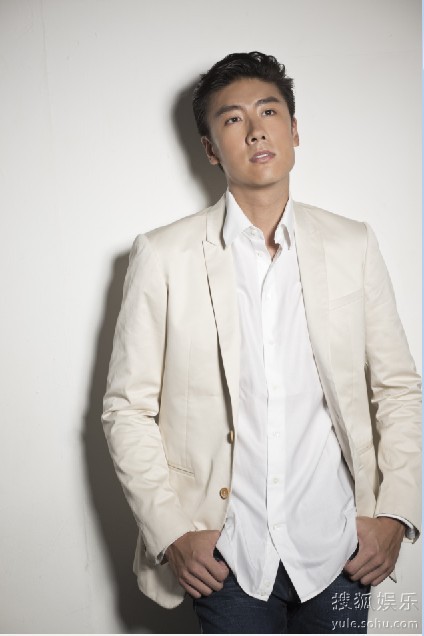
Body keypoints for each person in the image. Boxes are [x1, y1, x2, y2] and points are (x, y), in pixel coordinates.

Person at [102, 52, 421, 633]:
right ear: (210, 148)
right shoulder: (163, 255)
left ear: (294, 131)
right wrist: (172, 532)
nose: (255, 130)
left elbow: (398, 389)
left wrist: (395, 513)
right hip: (228, 560)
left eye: (269, 111)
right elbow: (127, 408)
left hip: (341, 551)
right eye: (232, 118)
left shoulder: (353, 244)